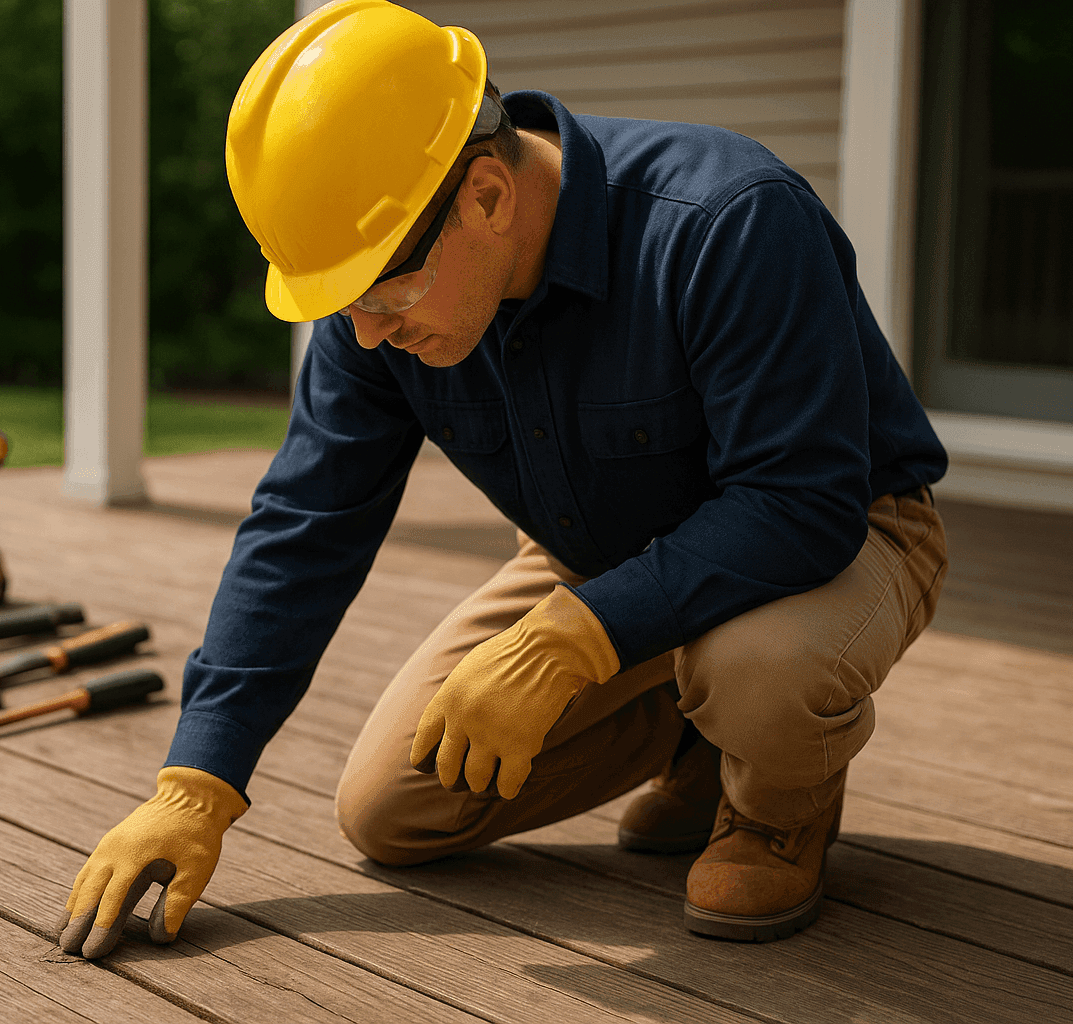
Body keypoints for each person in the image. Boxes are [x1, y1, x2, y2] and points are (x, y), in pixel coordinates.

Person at [57, 0, 949, 958]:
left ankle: (777, 812)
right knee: (393, 809)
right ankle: (697, 734)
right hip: (601, 556)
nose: (364, 332)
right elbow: (306, 520)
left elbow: (799, 502)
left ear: (486, 195)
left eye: (381, 294)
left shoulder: (727, 220)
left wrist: (576, 637)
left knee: (760, 667)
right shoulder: (381, 301)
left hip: (838, 535)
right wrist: (197, 779)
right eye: (342, 303)